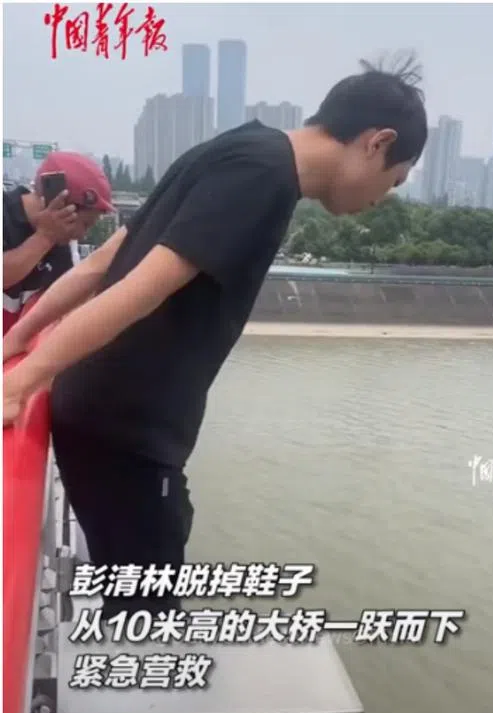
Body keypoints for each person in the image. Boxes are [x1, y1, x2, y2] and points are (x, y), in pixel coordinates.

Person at [3, 60, 428, 617]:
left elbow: (102, 263)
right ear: (378, 142)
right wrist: (22, 380)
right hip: (126, 438)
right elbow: (139, 289)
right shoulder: (265, 178)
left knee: (142, 574)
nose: (383, 196)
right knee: (145, 615)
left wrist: (19, 341)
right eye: (393, 180)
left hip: (97, 418)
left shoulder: (236, 147)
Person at [3, 153, 114, 335]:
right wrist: (44, 237)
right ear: (59, 203)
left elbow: (65, 309)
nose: (81, 234)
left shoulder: (62, 248)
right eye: (85, 224)